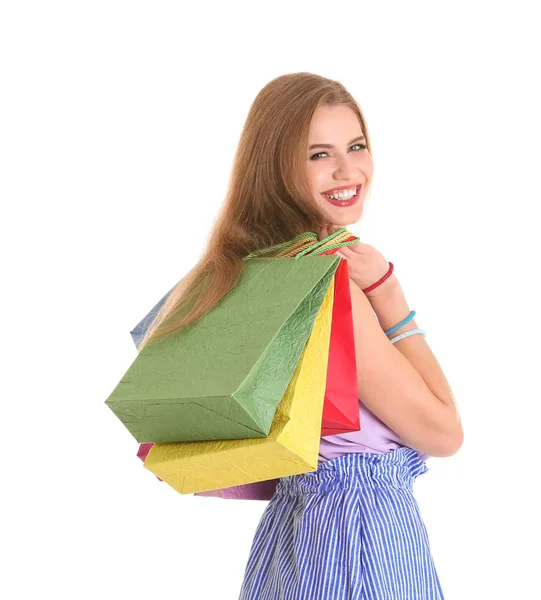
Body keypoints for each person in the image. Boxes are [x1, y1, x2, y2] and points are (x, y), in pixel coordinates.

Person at [140, 72, 463, 599]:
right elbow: (444, 433)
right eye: (318, 154)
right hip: (360, 532)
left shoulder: (245, 273)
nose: (347, 169)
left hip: (293, 532)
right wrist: (389, 293)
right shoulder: (329, 292)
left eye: (356, 146)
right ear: (276, 168)